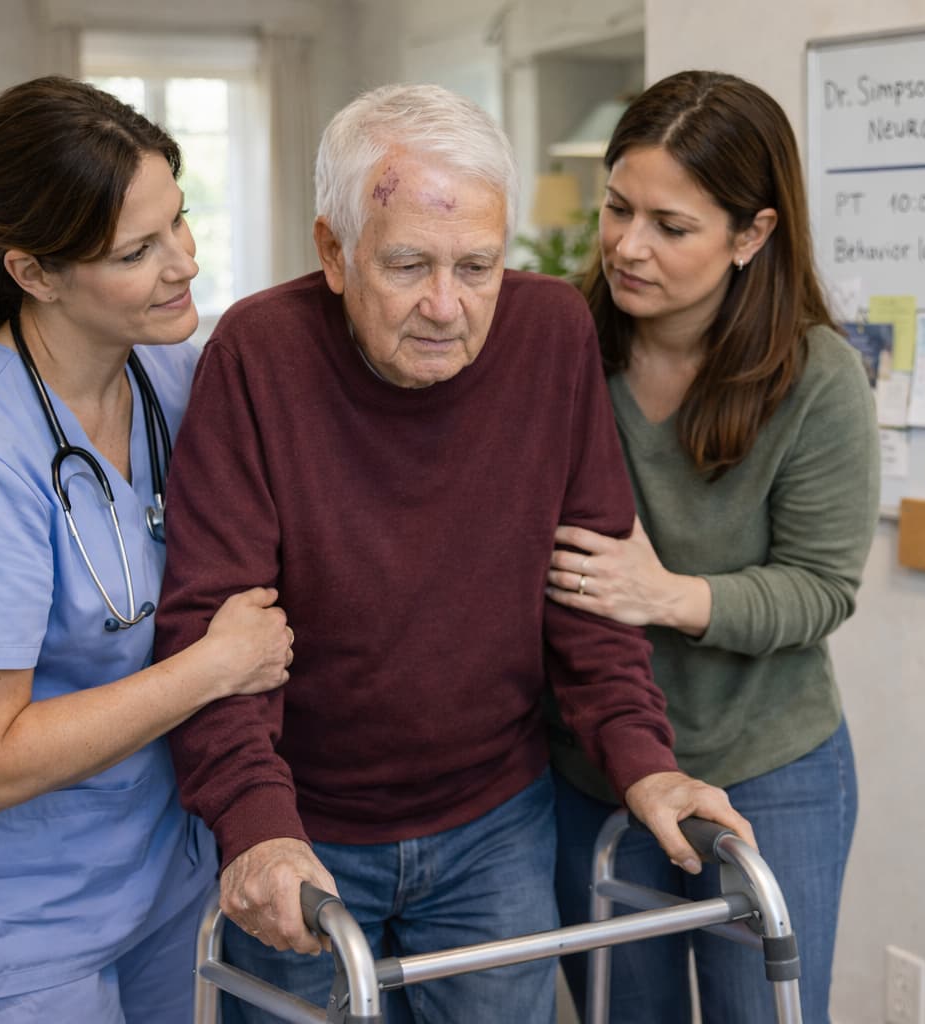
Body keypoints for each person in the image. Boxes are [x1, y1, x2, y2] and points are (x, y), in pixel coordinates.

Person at [153, 81, 753, 1024]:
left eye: (477, 266)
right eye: (408, 266)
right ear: (334, 252)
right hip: (304, 828)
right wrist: (257, 830)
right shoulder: (256, 356)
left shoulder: (551, 332)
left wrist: (646, 759)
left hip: (494, 827)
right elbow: (209, 627)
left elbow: (586, 588)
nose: (447, 306)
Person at [0, 76, 294, 1023]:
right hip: (17, 923)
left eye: (180, 219)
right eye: (137, 251)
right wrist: (214, 667)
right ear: (33, 274)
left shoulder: (170, 371)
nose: (186, 264)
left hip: (164, 882)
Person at [545, 70, 880, 1023]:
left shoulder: (818, 378)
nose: (627, 245)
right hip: (592, 771)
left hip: (771, 771)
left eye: (670, 226)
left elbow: (820, 589)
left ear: (753, 235)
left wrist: (663, 595)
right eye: (617, 207)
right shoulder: (558, 344)